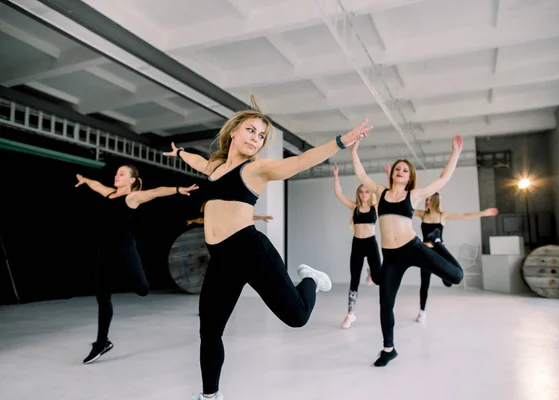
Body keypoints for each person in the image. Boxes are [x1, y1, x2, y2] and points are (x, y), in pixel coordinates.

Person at [163, 97, 373, 400]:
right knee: (209, 331)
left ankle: (311, 279)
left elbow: (301, 161)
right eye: (251, 130)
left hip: (250, 250)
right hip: (220, 258)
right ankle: (210, 395)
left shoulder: (256, 170)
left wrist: (341, 141)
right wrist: (180, 152)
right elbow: (196, 161)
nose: (255, 139)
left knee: (297, 318)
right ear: (233, 131)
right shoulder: (215, 166)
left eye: (261, 136)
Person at [351, 135, 465, 367]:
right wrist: (354, 150)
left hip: (412, 247)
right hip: (391, 256)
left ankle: (438, 243)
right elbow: (361, 175)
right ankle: (388, 349)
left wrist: (455, 154)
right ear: (392, 173)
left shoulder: (413, 195)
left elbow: (443, 179)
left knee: (456, 276)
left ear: (410, 176)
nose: (401, 171)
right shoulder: (381, 192)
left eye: (405, 169)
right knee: (385, 302)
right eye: (397, 168)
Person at [75, 165, 198, 364]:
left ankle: (130, 275)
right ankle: (102, 342)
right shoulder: (109, 194)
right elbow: (96, 185)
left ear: (132, 180)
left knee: (142, 289)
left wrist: (177, 190)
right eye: (117, 173)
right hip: (104, 250)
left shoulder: (133, 197)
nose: (117, 176)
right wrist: (86, 180)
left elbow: (156, 192)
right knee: (102, 297)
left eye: (121, 174)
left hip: (124, 248)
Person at [412, 192, 498, 322]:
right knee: (425, 283)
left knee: (449, 282)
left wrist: (483, 213)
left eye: (429, 200)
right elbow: (405, 210)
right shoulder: (422, 214)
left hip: (440, 251)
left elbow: (464, 216)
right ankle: (422, 311)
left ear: (435, 201)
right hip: (426, 252)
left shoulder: (443, 216)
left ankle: (438, 246)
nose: (426, 202)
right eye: (426, 200)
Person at [331, 163, 381, 329]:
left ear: (370, 193)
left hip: (371, 243)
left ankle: (372, 273)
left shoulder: (375, 207)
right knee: (354, 279)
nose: (364, 194)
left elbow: (385, 194)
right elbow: (338, 194)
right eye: (361, 191)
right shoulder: (354, 208)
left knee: (379, 278)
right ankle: (350, 314)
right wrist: (336, 175)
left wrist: (388, 174)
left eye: (367, 191)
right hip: (358, 244)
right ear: (358, 194)